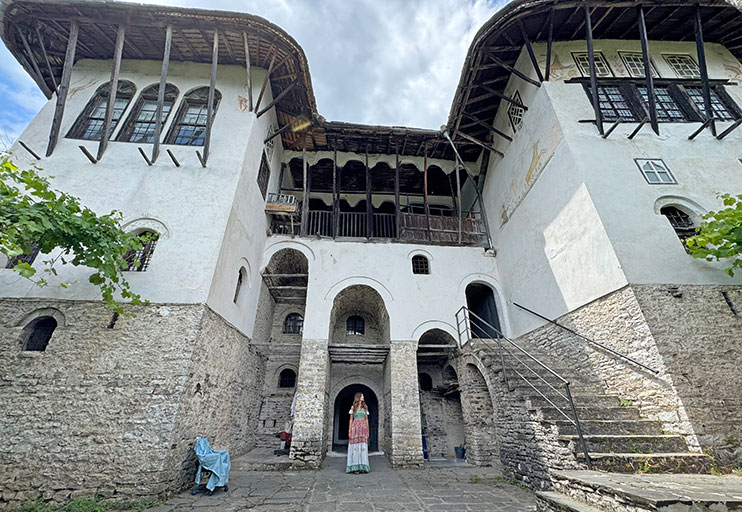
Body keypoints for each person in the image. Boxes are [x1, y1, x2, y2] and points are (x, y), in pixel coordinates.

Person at [346, 392, 370, 474]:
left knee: (362, 447)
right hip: (355, 428)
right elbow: (350, 419)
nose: (363, 397)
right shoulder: (353, 407)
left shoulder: (365, 407)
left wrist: (367, 430)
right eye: (362, 396)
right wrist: (349, 430)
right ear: (359, 397)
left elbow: (366, 419)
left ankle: (362, 465)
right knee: (355, 447)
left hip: (363, 428)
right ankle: (355, 467)